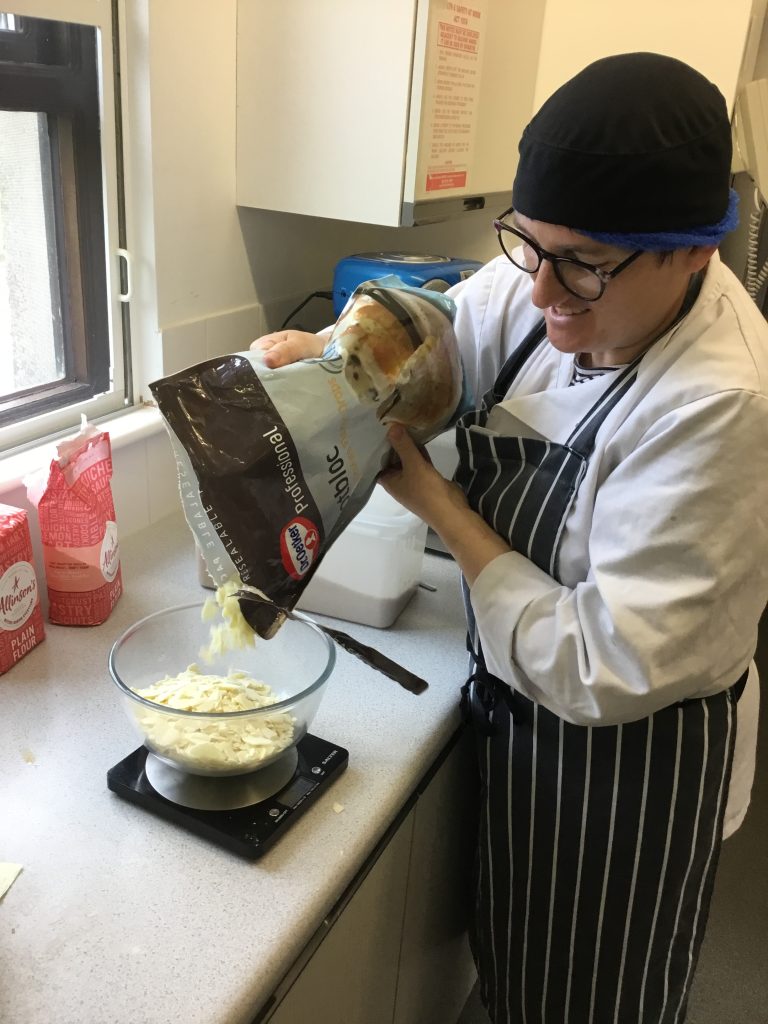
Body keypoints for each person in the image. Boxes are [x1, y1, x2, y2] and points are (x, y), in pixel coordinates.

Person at [253, 53, 768, 1024]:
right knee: (519, 968)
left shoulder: (721, 404)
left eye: (584, 264)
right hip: (525, 712)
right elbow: (450, 334)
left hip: (634, 765)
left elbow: (601, 662)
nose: (543, 293)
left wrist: (438, 505)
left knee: (596, 997)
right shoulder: (551, 276)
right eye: (529, 245)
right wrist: (331, 356)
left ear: (694, 252)